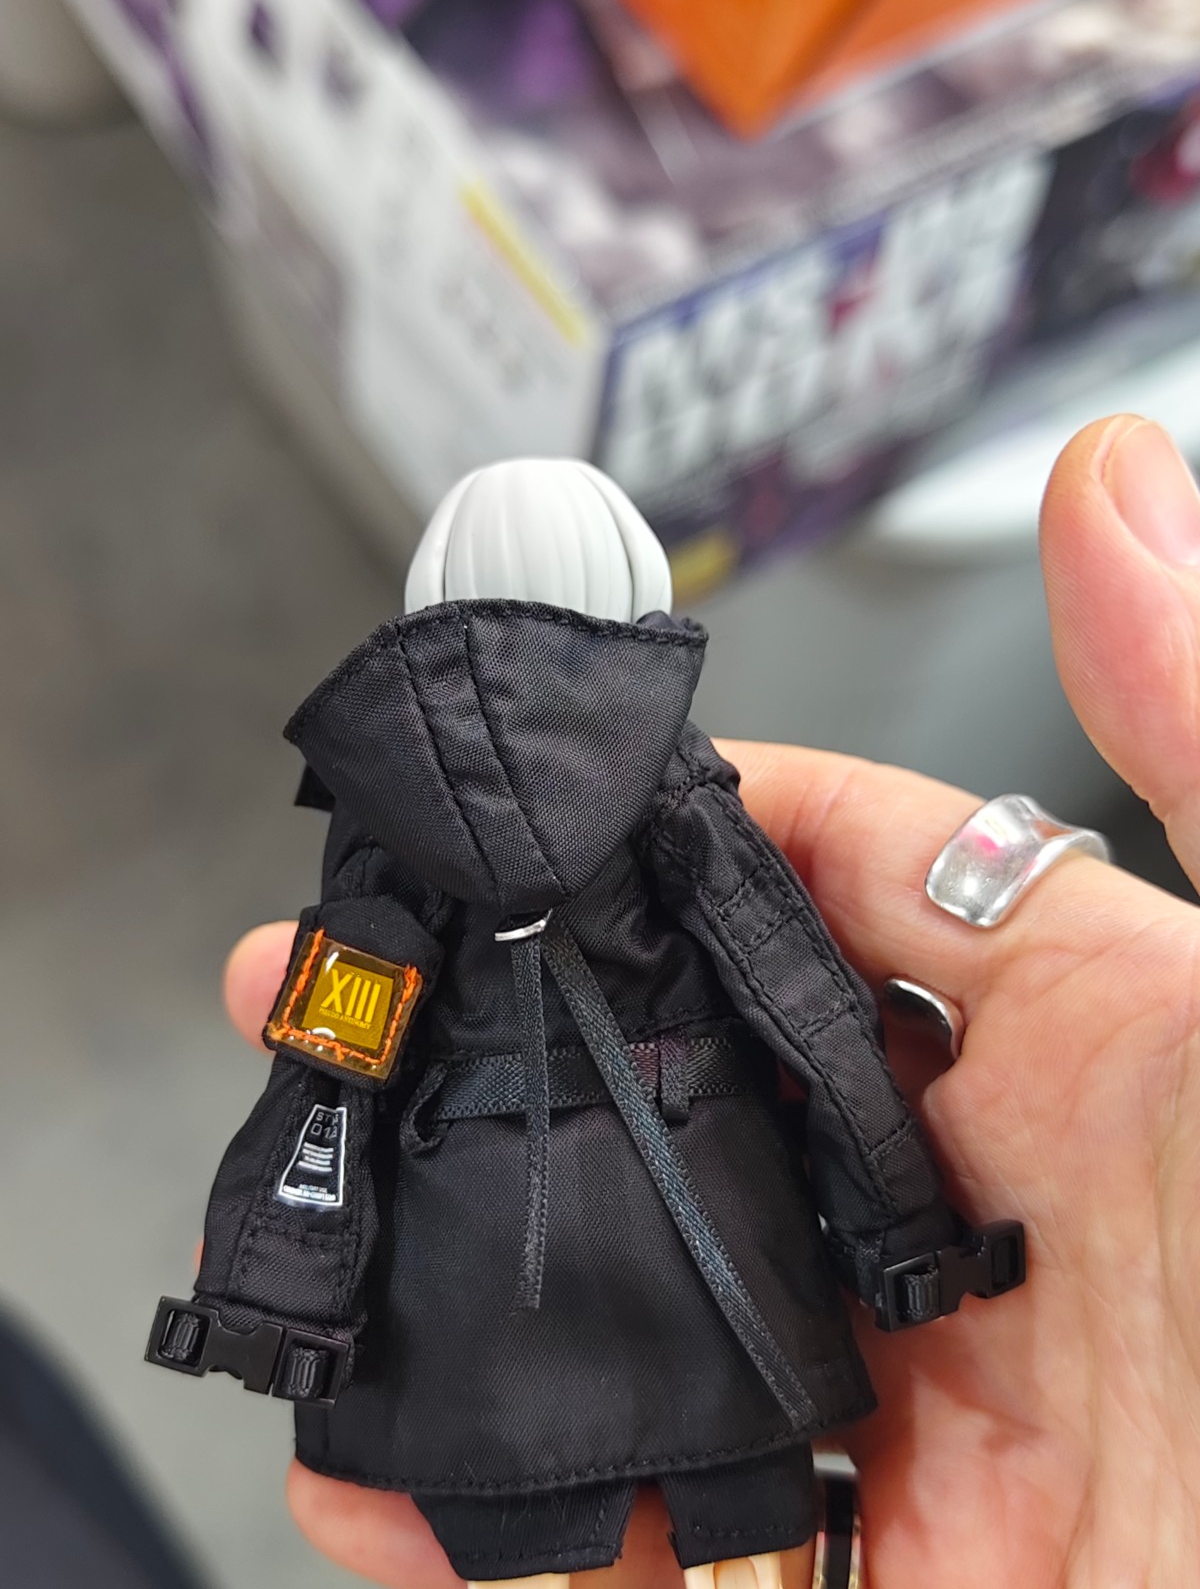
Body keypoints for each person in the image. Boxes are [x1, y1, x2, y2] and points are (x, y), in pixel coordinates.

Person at [216, 413, 1200, 1586]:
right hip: (699, 1196)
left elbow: (335, 1058)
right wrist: (898, 1230)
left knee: (511, 1533)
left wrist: (276, 1286)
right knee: (751, 1522)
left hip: (471, 1255)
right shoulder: (670, 781)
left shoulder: (387, 812)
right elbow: (804, 1004)